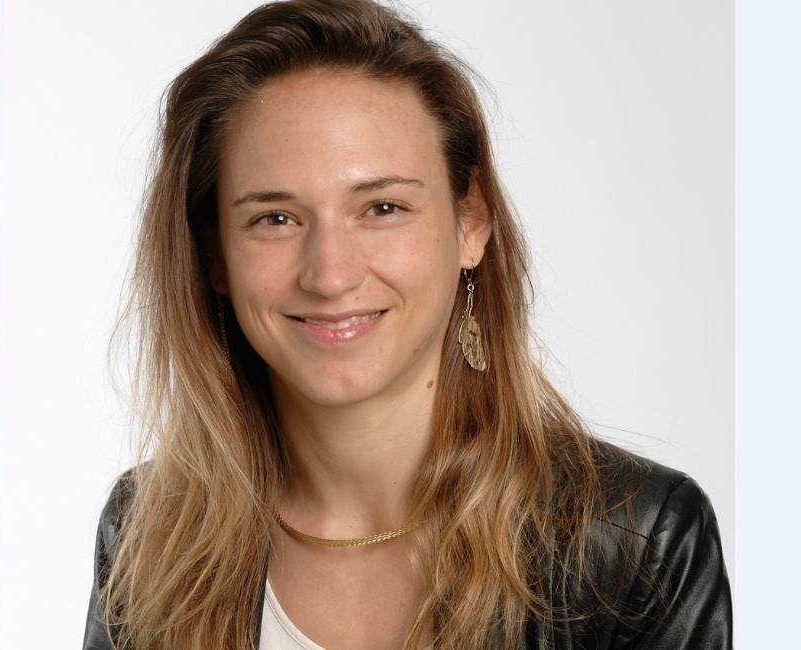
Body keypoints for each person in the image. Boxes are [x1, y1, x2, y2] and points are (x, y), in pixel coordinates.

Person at [82, 0, 732, 648]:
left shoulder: (638, 546)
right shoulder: (147, 534)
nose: (330, 275)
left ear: (471, 222)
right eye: (274, 218)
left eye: (383, 208)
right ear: (214, 254)